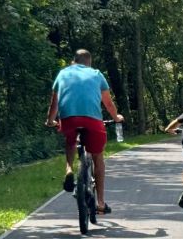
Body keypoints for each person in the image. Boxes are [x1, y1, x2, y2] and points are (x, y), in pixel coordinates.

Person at [45, 49, 124, 214]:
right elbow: (108, 104)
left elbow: (55, 103)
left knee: (70, 140)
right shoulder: (96, 74)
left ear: (74, 61)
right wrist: (116, 117)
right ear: (89, 62)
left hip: (68, 119)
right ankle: (101, 203)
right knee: (98, 157)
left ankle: (69, 169)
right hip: (92, 120)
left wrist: (50, 120)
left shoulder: (63, 74)